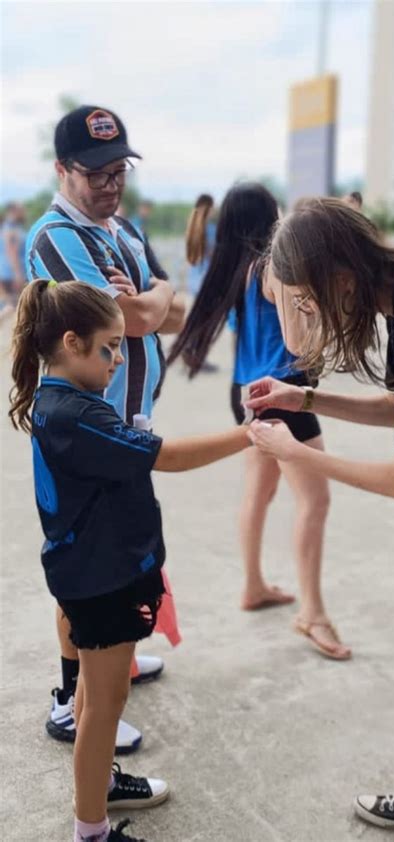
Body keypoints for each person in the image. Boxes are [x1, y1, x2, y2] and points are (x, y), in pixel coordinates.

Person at [245, 197, 394, 842]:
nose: (309, 315)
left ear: (339, 276)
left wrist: (296, 452)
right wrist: (304, 398)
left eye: (308, 302)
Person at [9, 279, 250, 842]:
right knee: (105, 703)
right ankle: (91, 830)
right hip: (101, 578)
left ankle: (98, 787)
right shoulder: (76, 415)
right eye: (109, 347)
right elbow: (163, 457)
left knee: (99, 693)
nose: (118, 359)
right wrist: (248, 436)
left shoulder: (60, 399)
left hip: (91, 569)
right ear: (70, 342)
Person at [26, 104, 186, 753]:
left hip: (125, 422)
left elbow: (166, 308)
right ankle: (73, 700)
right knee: (85, 569)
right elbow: (138, 319)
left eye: (118, 168)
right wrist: (149, 302)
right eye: (96, 172)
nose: (111, 183)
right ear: (63, 170)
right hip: (89, 433)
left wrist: (151, 297)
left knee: (119, 560)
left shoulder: (123, 227)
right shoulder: (56, 237)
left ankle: (110, 660)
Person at [169, 183, 351, 660]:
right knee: (314, 499)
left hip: (245, 393)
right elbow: (298, 342)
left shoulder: (231, 270)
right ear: (268, 217)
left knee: (260, 491)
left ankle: (252, 585)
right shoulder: (273, 269)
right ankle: (312, 612)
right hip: (282, 396)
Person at [185, 193, 216, 298]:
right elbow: (213, 255)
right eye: (212, 207)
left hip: (193, 283)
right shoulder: (211, 230)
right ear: (208, 208)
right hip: (208, 282)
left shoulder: (191, 229)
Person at [2, 201, 27, 305]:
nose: (24, 213)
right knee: (16, 306)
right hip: (12, 275)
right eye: (21, 210)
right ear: (13, 211)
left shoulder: (11, 227)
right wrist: (18, 275)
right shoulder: (10, 229)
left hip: (8, 273)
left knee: (11, 306)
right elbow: (12, 253)